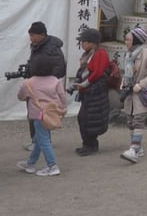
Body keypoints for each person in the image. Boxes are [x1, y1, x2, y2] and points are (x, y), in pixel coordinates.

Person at [16, 55, 67, 176]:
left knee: (43, 141)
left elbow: (20, 96)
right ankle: (31, 163)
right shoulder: (56, 81)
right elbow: (62, 96)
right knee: (40, 139)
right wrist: (62, 109)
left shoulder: (28, 83)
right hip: (51, 114)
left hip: (38, 115)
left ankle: (52, 166)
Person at [119, 27, 147, 164]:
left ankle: (134, 150)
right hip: (130, 93)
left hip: (141, 94)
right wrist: (123, 83)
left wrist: (141, 84)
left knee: (138, 120)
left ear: (136, 40)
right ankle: (138, 147)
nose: (126, 42)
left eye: (128, 39)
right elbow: (127, 72)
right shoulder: (128, 54)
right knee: (130, 121)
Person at [25, 21, 66, 151]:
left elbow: (60, 68)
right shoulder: (37, 46)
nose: (31, 38)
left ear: (42, 35)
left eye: (33, 35)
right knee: (34, 114)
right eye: (30, 35)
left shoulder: (51, 48)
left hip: (45, 88)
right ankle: (36, 140)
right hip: (35, 84)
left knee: (44, 115)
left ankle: (44, 142)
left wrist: (45, 80)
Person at [71, 28, 111, 156]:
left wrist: (84, 85)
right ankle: (87, 144)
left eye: (83, 41)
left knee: (88, 119)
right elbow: (84, 72)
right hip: (88, 91)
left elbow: (97, 74)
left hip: (95, 93)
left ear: (91, 43)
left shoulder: (100, 54)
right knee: (85, 118)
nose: (82, 44)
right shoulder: (89, 54)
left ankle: (91, 145)